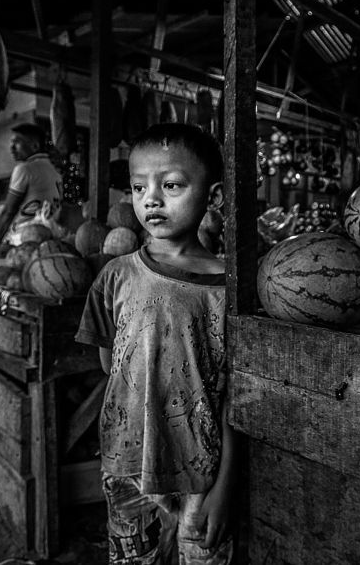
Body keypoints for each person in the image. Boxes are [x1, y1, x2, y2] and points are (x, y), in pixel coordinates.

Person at [76, 123, 237, 564]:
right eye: (138, 187)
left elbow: (235, 398)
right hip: (126, 466)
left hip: (202, 473)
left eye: (171, 185)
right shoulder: (114, 277)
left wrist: (225, 486)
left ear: (214, 196)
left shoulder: (229, 290)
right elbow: (110, 365)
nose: (151, 199)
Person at [0, 122, 63, 253]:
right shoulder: (55, 170)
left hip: (27, 238)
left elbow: (9, 211)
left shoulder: (24, 169)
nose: (11, 147)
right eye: (11, 142)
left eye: (16, 142)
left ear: (35, 146)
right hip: (52, 236)